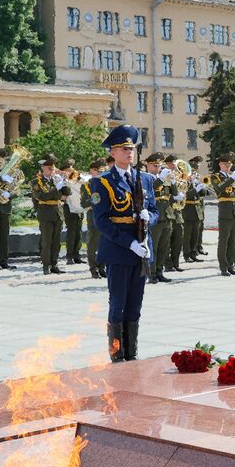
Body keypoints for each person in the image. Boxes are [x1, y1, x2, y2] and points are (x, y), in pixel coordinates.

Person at [90, 126, 156, 362]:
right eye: (124, 149)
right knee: (117, 305)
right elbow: (102, 222)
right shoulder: (102, 183)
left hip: (142, 252)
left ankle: (132, 354)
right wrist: (130, 244)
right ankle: (117, 355)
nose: (130, 152)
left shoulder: (145, 179)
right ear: (113, 152)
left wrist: (150, 217)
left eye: (132, 148)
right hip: (119, 251)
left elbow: (155, 211)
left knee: (135, 306)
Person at [31, 154, 68, 275]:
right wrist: (55, 189)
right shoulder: (36, 182)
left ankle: (54, 264)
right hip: (45, 213)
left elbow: (66, 194)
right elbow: (42, 196)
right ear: (43, 168)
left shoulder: (56, 180)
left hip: (57, 213)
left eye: (53, 168)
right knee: (46, 241)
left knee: (56, 241)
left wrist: (65, 182)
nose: (52, 171)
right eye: (49, 168)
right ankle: (46, 265)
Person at [211, 152, 235, 277]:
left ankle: (231, 265)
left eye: (230, 164)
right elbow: (219, 188)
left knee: (233, 241)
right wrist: (231, 178)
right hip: (225, 211)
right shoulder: (215, 176)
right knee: (224, 240)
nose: (228, 166)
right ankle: (223, 266)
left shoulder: (233, 176)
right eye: (226, 164)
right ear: (220, 164)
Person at [142, 154, 173, 283]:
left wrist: (173, 181)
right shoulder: (146, 177)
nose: (157, 168)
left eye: (159, 166)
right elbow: (150, 191)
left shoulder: (163, 178)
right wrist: (160, 178)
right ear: (148, 165)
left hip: (166, 215)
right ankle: (152, 273)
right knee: (153, 246)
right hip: (154, 217)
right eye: (155, 165)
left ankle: (160, 271)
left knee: (164, 247)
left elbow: (174, 194)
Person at [83, 158, 105, 279]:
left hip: (106, 216)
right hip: (94, 216)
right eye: (99, 171)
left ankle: (102, 267)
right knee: (93, 243)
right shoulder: (87, 185)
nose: (101, 173)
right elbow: (84, 203)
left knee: (104, 242)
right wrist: (98, 199)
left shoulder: (107, 183)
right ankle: (93, 268)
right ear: (93, 171)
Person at [60, 160, 85, 265]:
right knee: (71, 232)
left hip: (79, 207)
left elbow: (84, 182)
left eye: (72, 168)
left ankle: (77, 255)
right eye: (69, 169)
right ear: (65, 170)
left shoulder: (77, 177)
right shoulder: (62, 180)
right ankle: (69, 256)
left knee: (78, 232)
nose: (72, 170)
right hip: (69, 207)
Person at [186, 156, 207, 259]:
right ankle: (187, 253)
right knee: (188, 233)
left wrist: (201, 186)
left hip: (198, 207)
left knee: (197, 230)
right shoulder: (185, 177)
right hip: (189, 207)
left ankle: (196, 249)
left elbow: (204, 193)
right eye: (196, 165)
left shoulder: (199, 177)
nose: (198, 166)